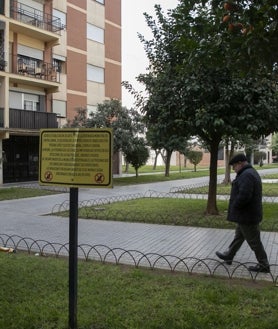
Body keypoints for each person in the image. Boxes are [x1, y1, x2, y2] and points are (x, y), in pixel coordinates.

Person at [215, 153, 270, 273]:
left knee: (254, 241)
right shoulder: (249, 173)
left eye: (234, 166)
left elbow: (244, 196)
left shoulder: (247, 175)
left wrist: (235, 206)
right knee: (239, 236)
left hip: (247, 215)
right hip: (246, 215)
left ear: (240, 163)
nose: (234, 169)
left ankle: (264, 264)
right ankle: (229, 255)